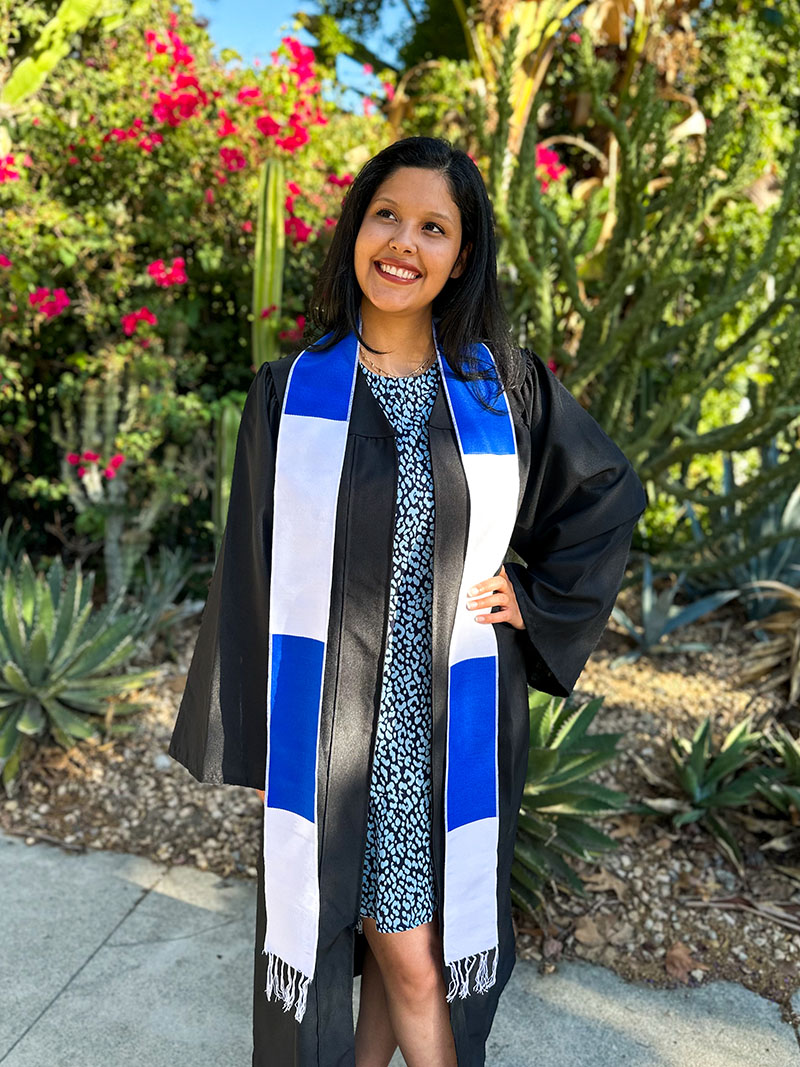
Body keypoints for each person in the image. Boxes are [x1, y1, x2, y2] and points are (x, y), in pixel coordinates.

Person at [167, 135, 647, 1067]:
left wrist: (536, 597)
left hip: (452, 720)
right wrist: (267, 736)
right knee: (409, 958)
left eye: (434, 227)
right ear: (357, 225)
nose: (403, 242)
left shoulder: (500, 385)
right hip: (340, 731)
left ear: (460, 256)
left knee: (413, 961)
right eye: (388, 214)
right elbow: (253, 567)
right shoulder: (290, 391)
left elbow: (604, 491)